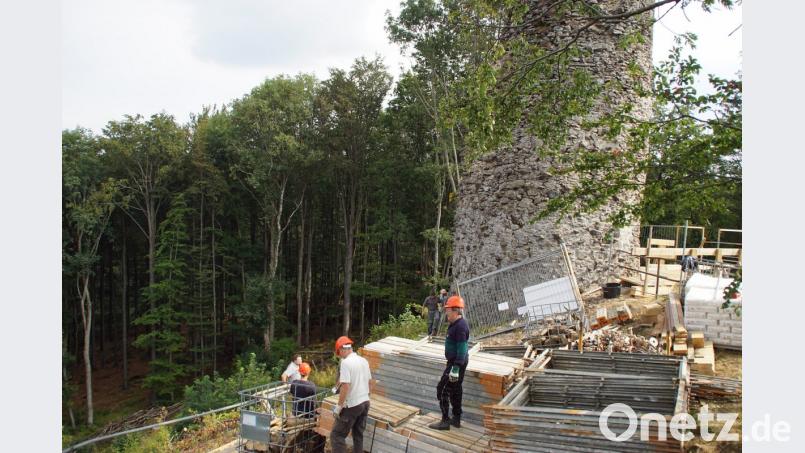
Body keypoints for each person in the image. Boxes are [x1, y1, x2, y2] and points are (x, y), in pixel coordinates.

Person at [429, 295, 470, 430]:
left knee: (442, 390)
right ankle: (456, 419)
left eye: (448, 310)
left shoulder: (460, 327)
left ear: (456, 311)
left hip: (456, 364)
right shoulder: (455, 324)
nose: (446, 312)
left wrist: (456, 368)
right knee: (455, 390)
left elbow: (463, 348)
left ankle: (445, 420)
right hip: (456, 362)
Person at [331, 336, 372, 453]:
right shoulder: (363, 361)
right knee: (358, 436)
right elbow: (369, 382)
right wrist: (366, 396)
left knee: (337, 435)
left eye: (339, 353)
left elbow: (346, 386)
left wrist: (339, 407)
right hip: (365, 403)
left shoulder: (346, 363)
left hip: (353, 405)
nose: (339, 356)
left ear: (342, 349)